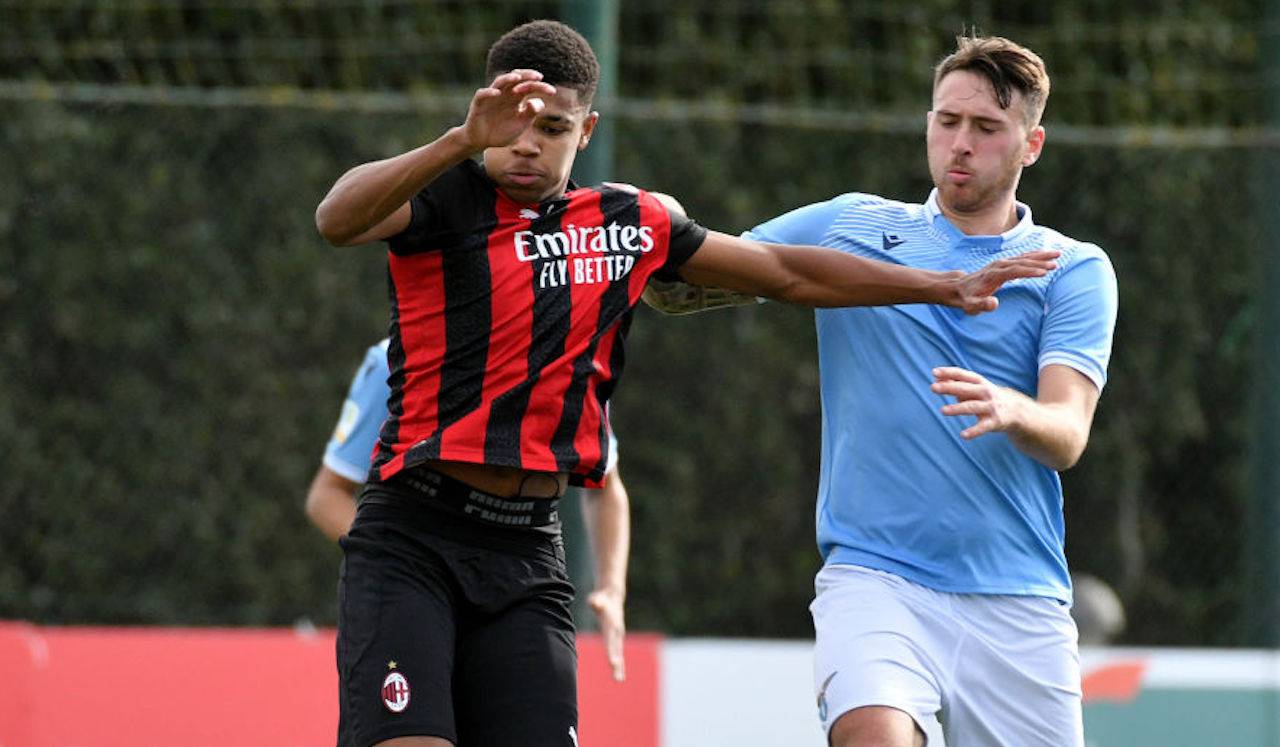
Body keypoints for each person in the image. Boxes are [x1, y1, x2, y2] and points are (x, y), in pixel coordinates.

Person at [313, 20, 1057, 747]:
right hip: (416, 533)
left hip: (528, 548)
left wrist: (942, 285)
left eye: (552, 127)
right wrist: (458, 141)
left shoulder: (626, 221)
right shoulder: (444, 200)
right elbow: (336, 218)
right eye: (510, 125)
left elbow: (785, 272)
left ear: (586, 130)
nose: (526, 143)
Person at [739, 35, 1119, 747]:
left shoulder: (1069, 268)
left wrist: (1013, 408)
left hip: (1019, 598)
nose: (961, 143)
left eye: (987, 127)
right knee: (872, 734)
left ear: (1031, 145)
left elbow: (1067, 433)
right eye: (948, 121)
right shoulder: (851, 225)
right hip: (876, 579)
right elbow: (714, 265)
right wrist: (651, 228)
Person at [304, 337, 631, 681]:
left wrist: (612, 588)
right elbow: (327, 495)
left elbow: (606, 485)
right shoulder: (397, 358)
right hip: (419, 590)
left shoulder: (567, 355)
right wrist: (403, 557)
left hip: (519, 588)